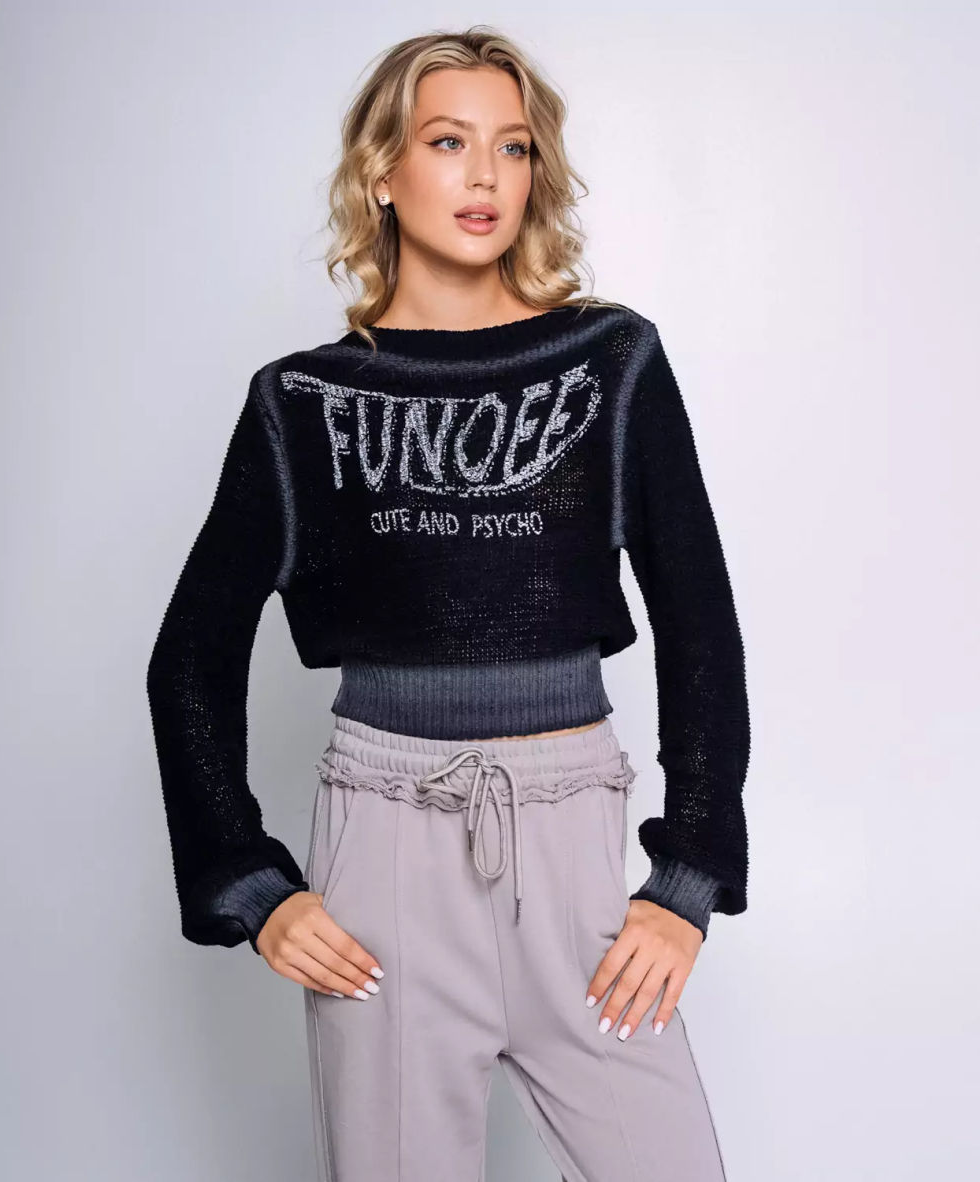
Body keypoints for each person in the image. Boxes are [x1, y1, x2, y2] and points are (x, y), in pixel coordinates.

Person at [146, 25, 749, 1182]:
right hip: (384, 867)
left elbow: (700, 624)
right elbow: (190, 660)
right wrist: (251, 885)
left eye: (512, 147)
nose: (485, 176)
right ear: (382, 171)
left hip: (575, 857)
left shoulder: (611, 361)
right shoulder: (301, 402)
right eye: (447, 142)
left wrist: (688, 877)